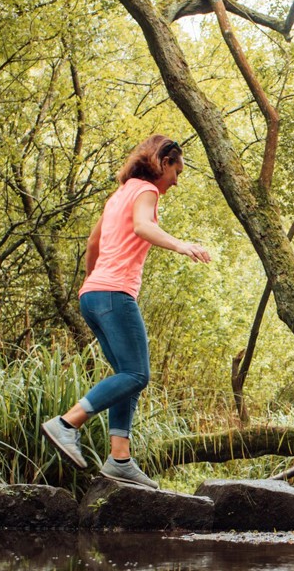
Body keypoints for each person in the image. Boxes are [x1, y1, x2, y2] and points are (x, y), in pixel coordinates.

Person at [41, 135, 210, 488]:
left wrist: (90, 283)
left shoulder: (119, 194)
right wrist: (182, 245)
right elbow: (143, 227)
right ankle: (67, 423)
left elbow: (93, 243)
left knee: (125, 378)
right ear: (163, 162)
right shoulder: (146, 190)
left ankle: (119, 459)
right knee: (137, 375)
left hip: (94, 295)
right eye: (176, 171)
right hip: (115, 293)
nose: (177, 181)